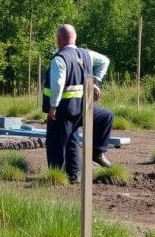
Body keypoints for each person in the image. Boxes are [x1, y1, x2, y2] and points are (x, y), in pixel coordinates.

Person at [42, 24, 115, 184]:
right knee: (72, 140)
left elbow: (58, 83)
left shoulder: (60, 59)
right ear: (74, 38)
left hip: (63, 111)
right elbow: (105, 61)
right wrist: (96, 81)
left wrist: (53, 107)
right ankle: (75, 175)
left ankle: (57, 178)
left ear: (58, 40)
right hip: (81, 110)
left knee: (57, 144)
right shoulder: (86, 54)